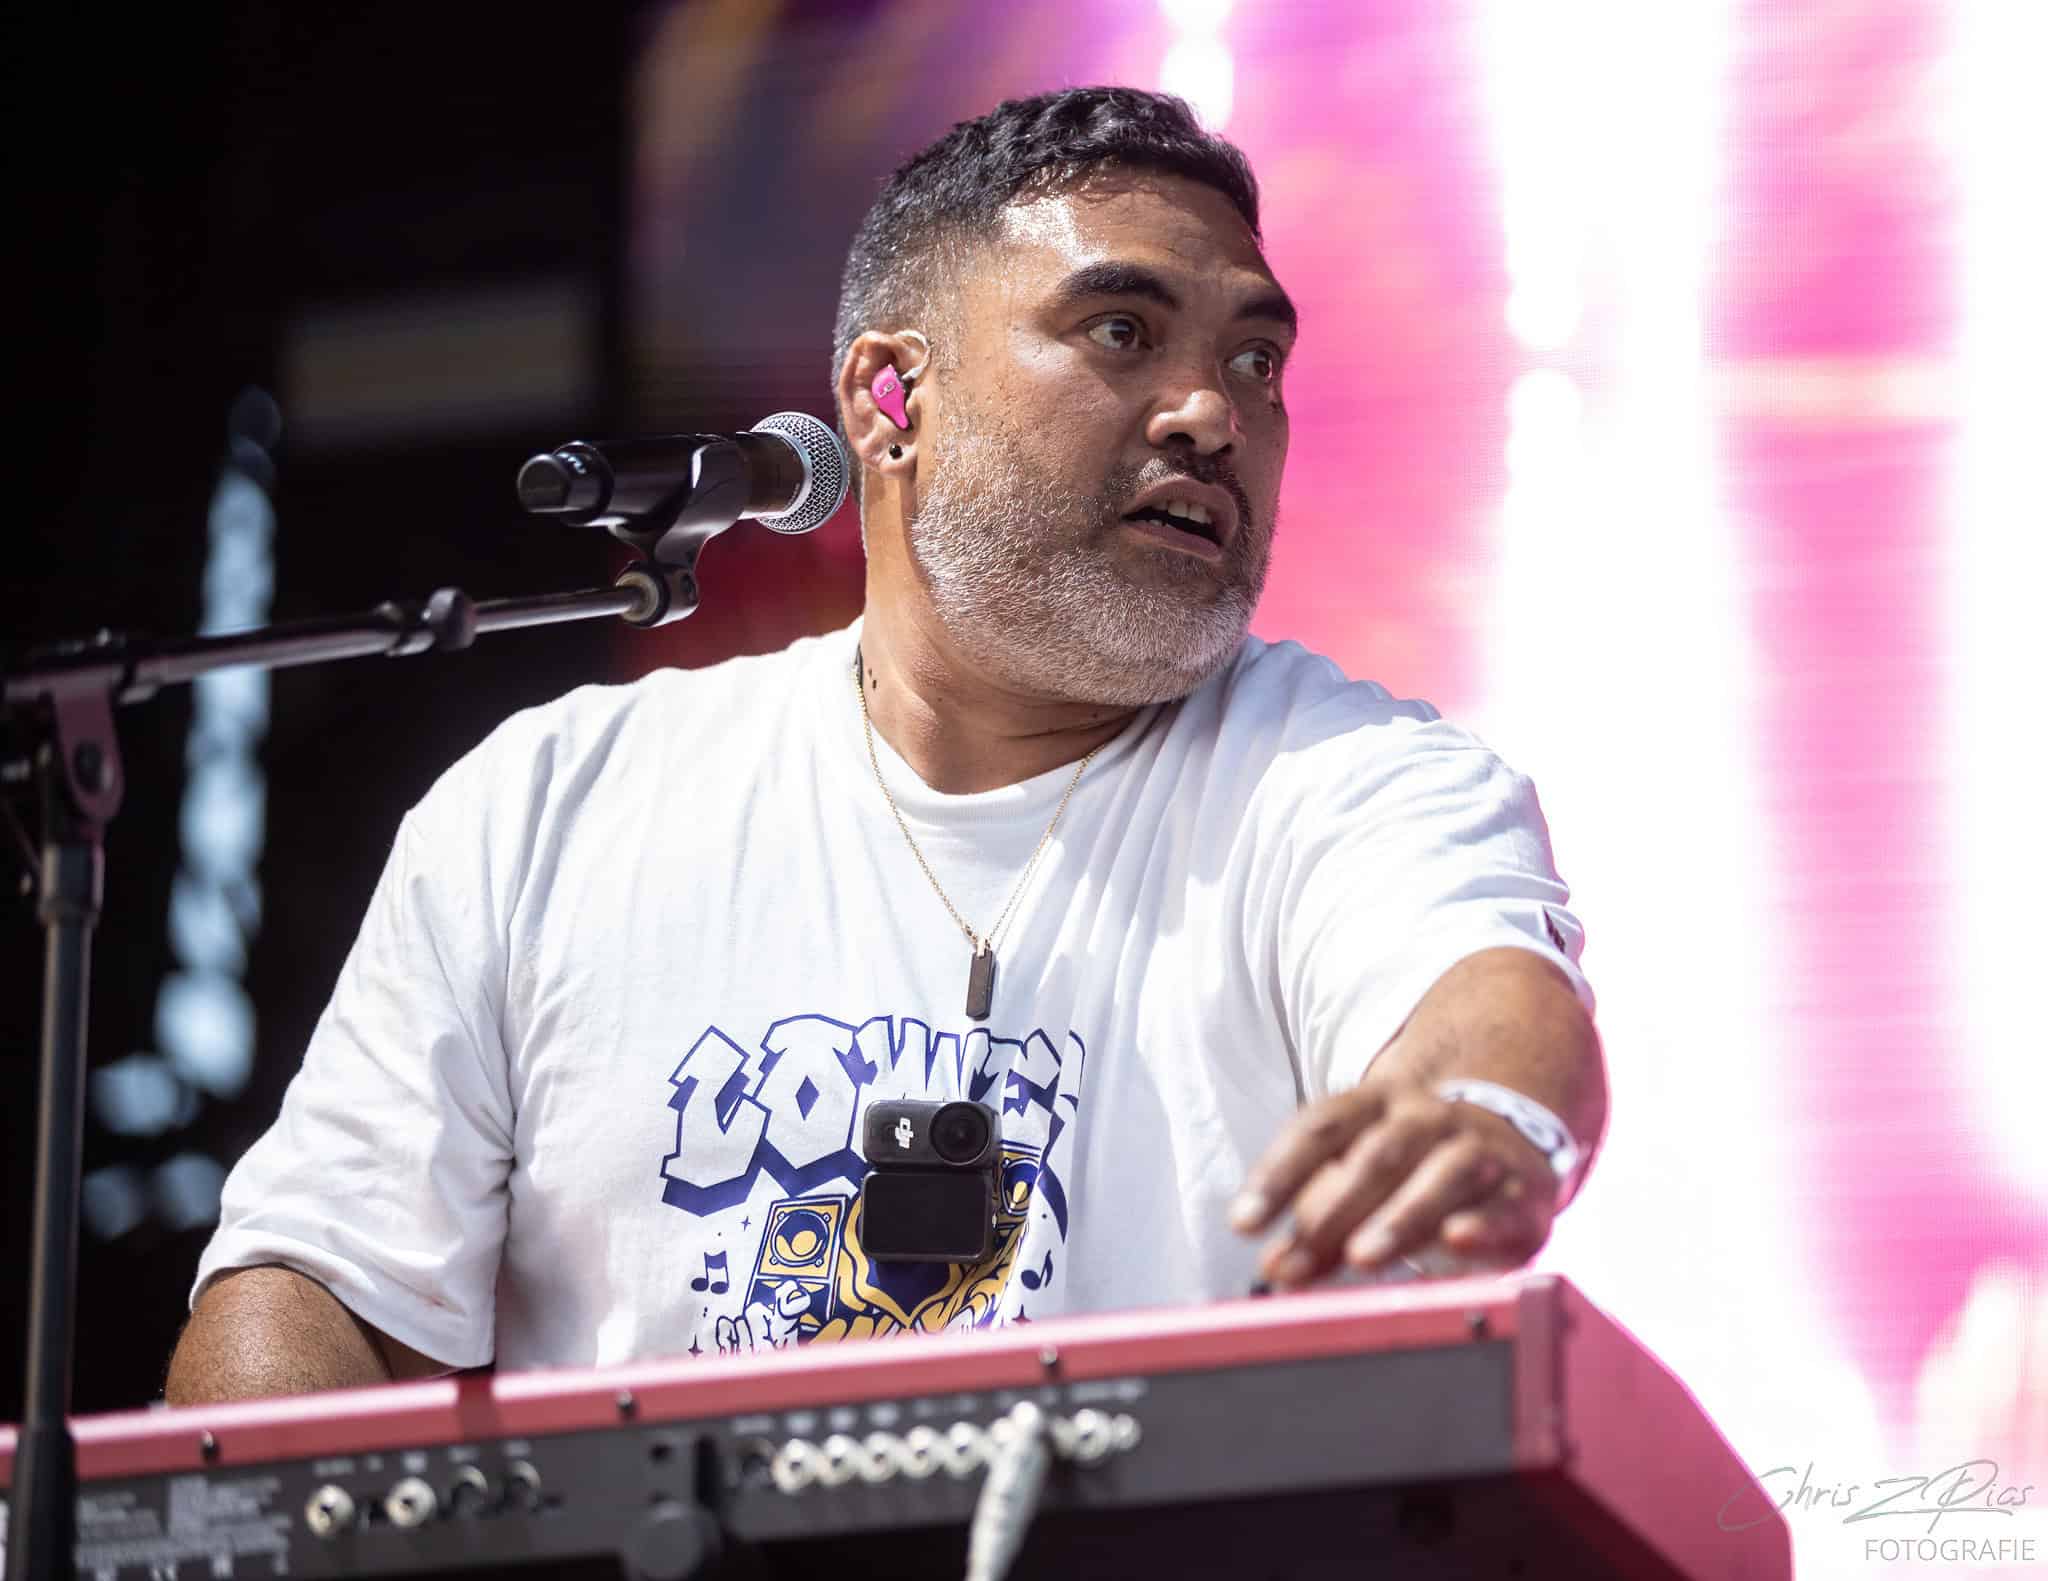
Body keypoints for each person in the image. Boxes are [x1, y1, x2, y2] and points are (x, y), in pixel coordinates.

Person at [165, 86, 1606, 1403]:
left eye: (1255, 358)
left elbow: (1486, 1004)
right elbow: (317, 1291)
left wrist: (1485, 1115)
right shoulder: (546, 808)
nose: (1212, 414)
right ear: (887, 401)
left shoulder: (1351, 778)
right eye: (1123, 331)